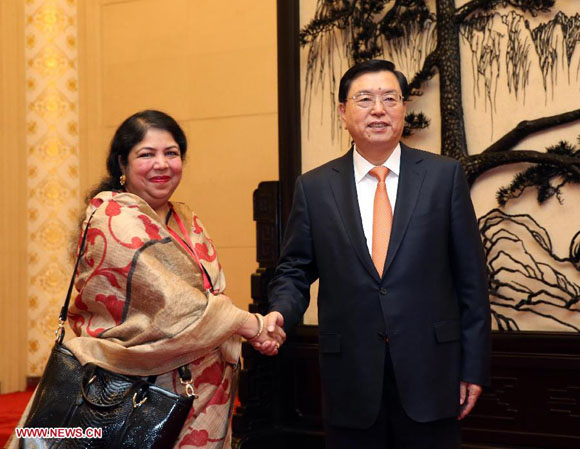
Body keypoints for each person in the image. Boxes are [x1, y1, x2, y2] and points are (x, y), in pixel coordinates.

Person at [11, 110, 284, 449]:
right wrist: (250, 326)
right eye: (146, 154)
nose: (162, 164)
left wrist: (238, 325)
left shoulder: (186, 217)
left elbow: (208, 293)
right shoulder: (112, 218)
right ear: (121, 165)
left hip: (204, 388)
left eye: (171, 153)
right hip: (134, 387)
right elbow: (172, 305)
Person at [257, 60, 491, 448]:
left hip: (432, 372)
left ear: (403, 108)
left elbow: (471, 280)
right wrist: (280, 311)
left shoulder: (444, 177)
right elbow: (295, 270)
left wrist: (474, 367)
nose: (378, 109)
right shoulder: (314, 188)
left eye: (389, 99)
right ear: (342, 112)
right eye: (364, 99)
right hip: (350, 376)